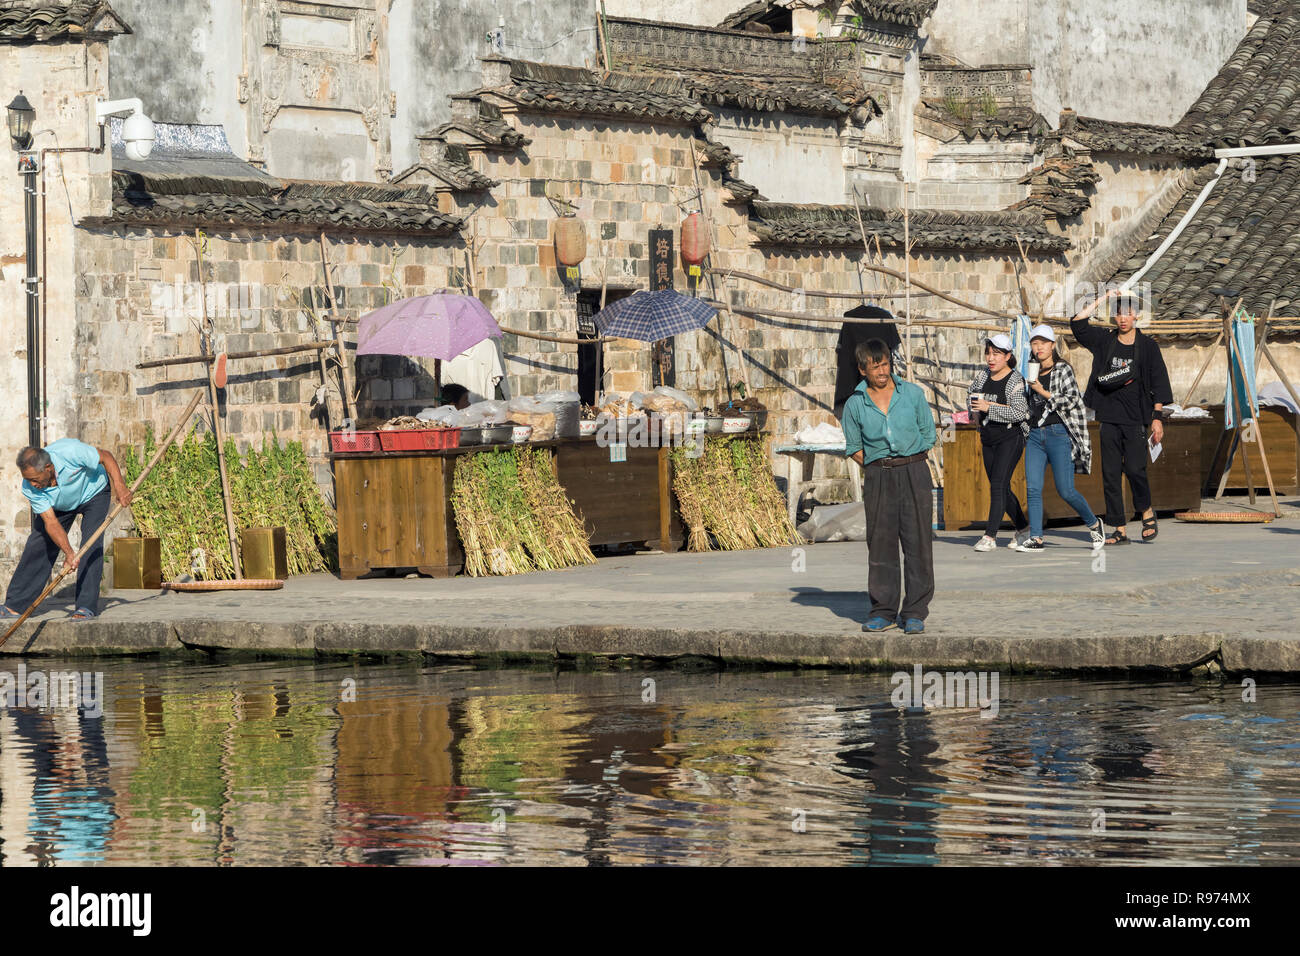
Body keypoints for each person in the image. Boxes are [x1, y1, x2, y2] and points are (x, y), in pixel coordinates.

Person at [840, 338, 936, 635]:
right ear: (862, 369)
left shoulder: (913, 394)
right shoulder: (855, 403)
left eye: (885, 364)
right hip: (879, 476)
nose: (882, 370)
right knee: (881, 545)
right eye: (875, 366)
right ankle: (884, 611)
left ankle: (915, 611)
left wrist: (907, 458)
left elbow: (928, 433)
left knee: (918, 542)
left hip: (914, 472)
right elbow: (854, 446)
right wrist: (878, 464)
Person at [1071, 289, 1172, 544]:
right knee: (1111, 473)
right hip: (1109, 416)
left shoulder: (1148, 347)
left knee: (1136, 469)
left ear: (1137, 316)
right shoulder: (1105, 341)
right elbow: (1078, 324)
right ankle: (1119, 528)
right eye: (1118, 314)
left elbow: (1159, 382)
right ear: (1114, 318)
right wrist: (1103, 298)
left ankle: (1146, 510)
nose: (1123, 318)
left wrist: (1157, 417)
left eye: (1128, 313)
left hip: (1136, 417)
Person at [1, 440, 132, 621]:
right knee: (39, 542)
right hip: (61, 505)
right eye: (27, 479)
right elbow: (51, 523)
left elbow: (106, 457)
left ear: (48, 468)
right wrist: (69, 553)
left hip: (94, 492)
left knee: (91, 543)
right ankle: (15, 605)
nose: (31, 484)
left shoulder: (71, 451)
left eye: (34, 479)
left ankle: (86, 606)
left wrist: (120, 485)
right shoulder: (29, 487)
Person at [1020, 325, 1105, 552]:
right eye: (1035, 343)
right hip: (1035, 435)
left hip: (1059, 433)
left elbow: (1073, 400)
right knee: (1033, 489)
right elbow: (1028, 405)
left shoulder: (1062, 369)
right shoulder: (1031, 371)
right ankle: (1036, 538)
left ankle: (1094, 523)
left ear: (1052, 345)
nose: (1038, 348)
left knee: (1065, 490)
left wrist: (1041, 390)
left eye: (1043, 343)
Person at [967, 333, 1030, 552]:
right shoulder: (983, 375)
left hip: (1010, 437)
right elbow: (971, 395)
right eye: (988, 353)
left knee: (997, 485)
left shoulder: (1015, 379)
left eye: (996, 354)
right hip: (988, 437)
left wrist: (987, 408)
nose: (991, 359)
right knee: (1000, 486)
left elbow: (1019, 412)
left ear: (1008, 356)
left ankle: (990, 536)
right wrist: (974, 411)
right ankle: (1023, 528)